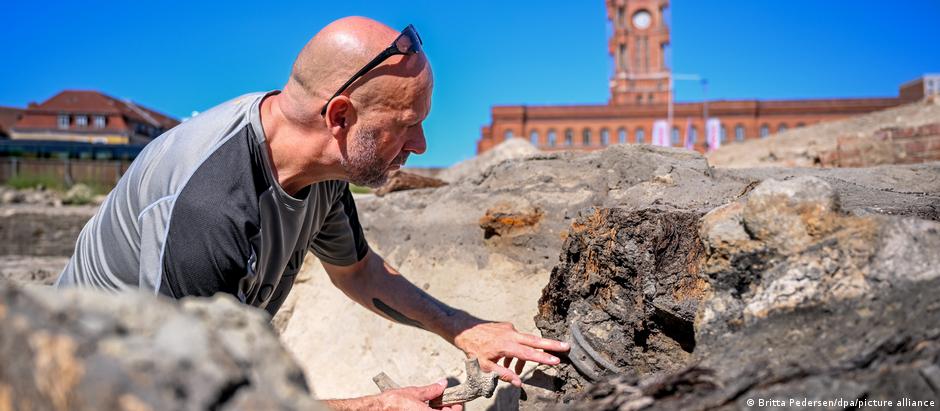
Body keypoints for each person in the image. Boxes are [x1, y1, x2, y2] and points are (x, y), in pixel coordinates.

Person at [55, 16, 569, 410]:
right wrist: (371, 407)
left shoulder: (320, 166)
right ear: (340, 116)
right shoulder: (209, 207)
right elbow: (188, 398)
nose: (421, 144)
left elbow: (358, 271)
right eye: (405, 124)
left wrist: (463, 328)